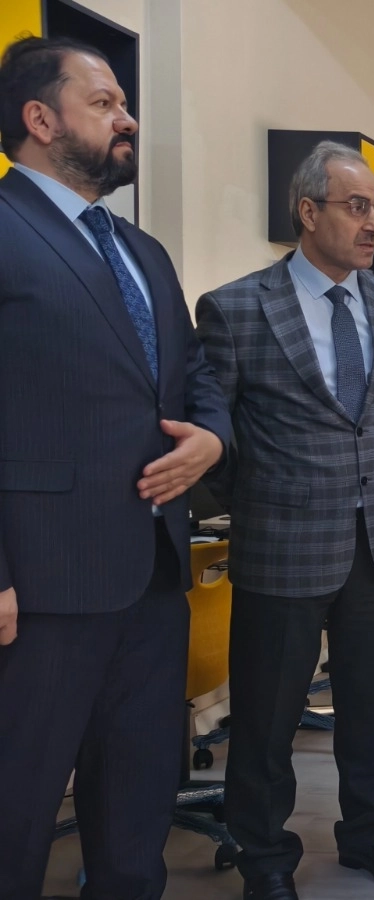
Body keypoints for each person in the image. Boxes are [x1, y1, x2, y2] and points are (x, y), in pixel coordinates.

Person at [0, 36, 229, 899]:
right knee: (16, 811)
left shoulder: (143, 252)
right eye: (104, 103)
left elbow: (197, 380)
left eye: (125, 104)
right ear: (40, 118)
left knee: (137, 810)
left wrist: (211, 440)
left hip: (153, 578)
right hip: (40, 590)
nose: (127, 119)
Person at [195, 141, 374, 900]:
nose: (373, 225)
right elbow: (216, 430)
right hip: (283, 543)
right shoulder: (236, 308)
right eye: (357, 208)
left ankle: (369, 833)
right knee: (266, 718)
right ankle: (264, 856)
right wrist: (270, 495)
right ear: (307, 211)